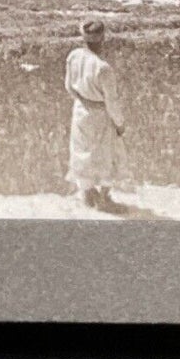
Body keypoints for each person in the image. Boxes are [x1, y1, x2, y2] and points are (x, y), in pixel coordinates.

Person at [64, 18, 125, 213]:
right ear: (103, 38)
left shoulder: (74, 56)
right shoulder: (103, 68)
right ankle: (104, 198)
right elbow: (112, 101)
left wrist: (83, 101)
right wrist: (119, 123)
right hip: (100, 114)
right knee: (108, 154)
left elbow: (68, 86)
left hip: (81, 110)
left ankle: (88, 193)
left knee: (82, 151)